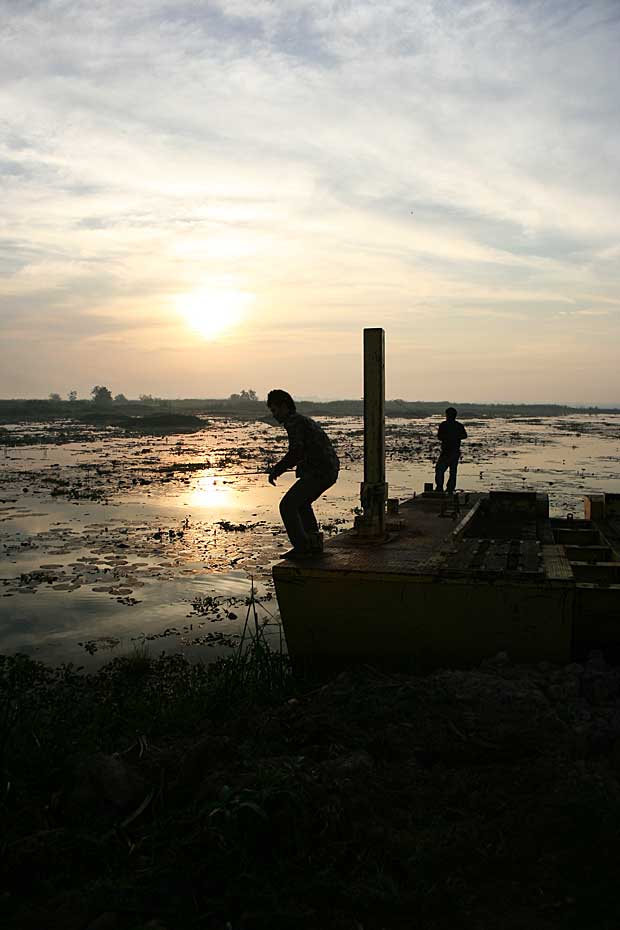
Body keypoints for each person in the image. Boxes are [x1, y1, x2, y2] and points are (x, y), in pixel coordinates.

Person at [267, 389, 339, 560]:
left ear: (284, 407)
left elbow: (296, 452)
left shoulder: (294, 423)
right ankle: (313, 544)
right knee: (302, 504)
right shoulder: (299, 420)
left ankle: (302, 547)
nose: (274, 415)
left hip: (321, 472)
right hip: (328, 470)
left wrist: (277, 469)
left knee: (287, 506)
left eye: (275, 410)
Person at [434, 407, 467, 494]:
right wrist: (454, 436)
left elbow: (439, 437)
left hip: (449, 452)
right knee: (451, 472)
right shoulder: (457, 425)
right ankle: (446, 488)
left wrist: (452, 437)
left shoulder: (444, 425)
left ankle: (442, 488)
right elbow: (464, 436)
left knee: (440, 469)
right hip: (452, 452)